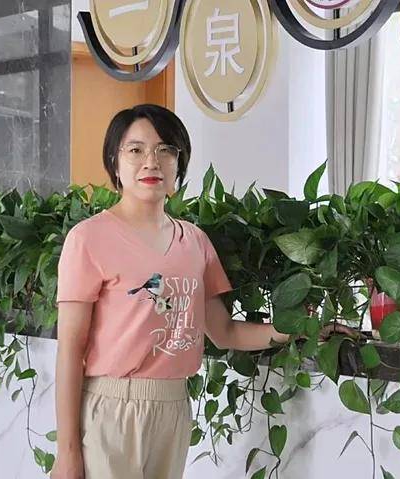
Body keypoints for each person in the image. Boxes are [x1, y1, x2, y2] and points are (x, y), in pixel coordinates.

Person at [50, 104, 353, 479]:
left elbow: (225, 332)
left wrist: (300, 330)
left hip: (174, 407)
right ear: (114, 161)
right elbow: (70, 349)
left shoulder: (195, 242)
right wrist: (67, 453)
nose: (151, 162)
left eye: (165, 150)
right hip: (111, 408)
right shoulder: (89, 239)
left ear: (179, 163)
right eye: (136, 150)